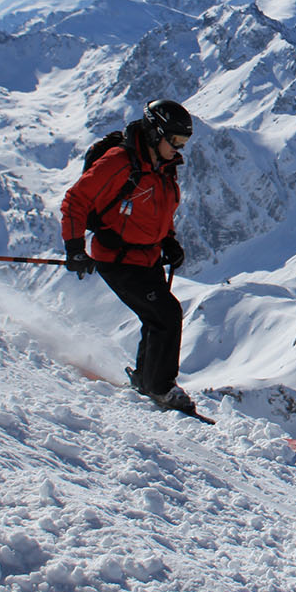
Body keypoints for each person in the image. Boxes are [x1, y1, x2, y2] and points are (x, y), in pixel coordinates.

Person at [62, 98, 198, 414]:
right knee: (167, 314)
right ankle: (161, 388)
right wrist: (74, 247)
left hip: (148, 258)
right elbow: (76, 200)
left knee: (156, 317)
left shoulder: (164, 167)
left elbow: (158, 212)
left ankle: (145, 380)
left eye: (184, 142)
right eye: (176, 140)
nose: (180, 149)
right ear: (155, 133)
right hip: (117, 258)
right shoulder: (119, 162)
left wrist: (169, 242)